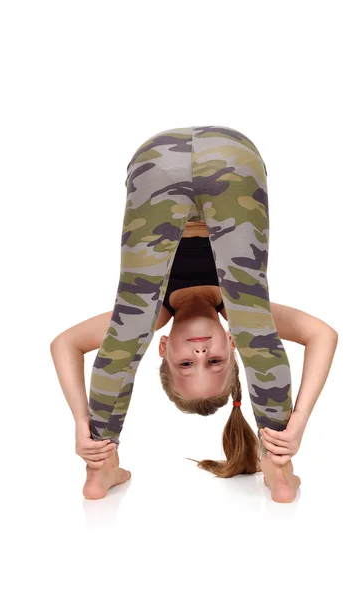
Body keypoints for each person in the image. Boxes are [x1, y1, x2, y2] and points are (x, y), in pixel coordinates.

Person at [50, 125, 338, 502]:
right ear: (231, 344)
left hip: (157, 162)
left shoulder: (151, 317)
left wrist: (81, 424)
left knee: (126, 332)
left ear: (164, 347)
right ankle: (279, 466)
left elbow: (65, 344)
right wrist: (296, 423)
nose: (200, 355)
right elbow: (323, 335)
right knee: (257, 328)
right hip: (232, 156)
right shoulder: (240, 315)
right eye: (216, 362)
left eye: (186, 365)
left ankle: (100, 465)